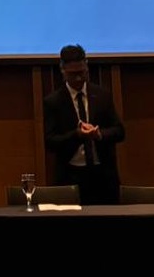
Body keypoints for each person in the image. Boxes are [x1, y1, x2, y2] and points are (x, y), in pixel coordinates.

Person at [43, 44, 125, 205]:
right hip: (70, 176)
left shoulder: (102, 95)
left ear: (86, 66)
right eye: (73, 74)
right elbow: (50, 142)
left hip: (103, 175)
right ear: (62, 70)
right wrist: (77, 135)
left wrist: (99, 134)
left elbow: (120, 131)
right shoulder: (53, 102)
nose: (79, 78)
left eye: (82, 72)